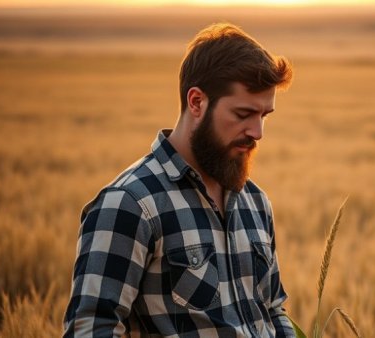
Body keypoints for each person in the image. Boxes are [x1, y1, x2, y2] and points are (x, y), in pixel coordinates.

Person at [63, 23, 294, 337]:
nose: (258, 132)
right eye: (243, 114)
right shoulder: (130, 205)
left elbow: (271, 310)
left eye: (264, 115)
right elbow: (91, 329)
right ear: (197, 102)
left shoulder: (254, 201)